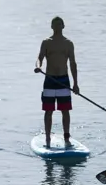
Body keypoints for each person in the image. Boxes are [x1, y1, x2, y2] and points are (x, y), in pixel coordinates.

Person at [34, 16, 79, 148]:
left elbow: (73, 64)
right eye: (55, 24)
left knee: (65, 110)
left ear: (63, 26)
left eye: (60, 24)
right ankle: (47, 138)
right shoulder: (46, 42)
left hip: (63, 80)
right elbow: (39, 58)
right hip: (50, 79)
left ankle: (66, 137)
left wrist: (76, 84)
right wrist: (38, 66)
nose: (58, 26)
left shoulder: (69, 43)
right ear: (52, 27)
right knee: (48, 111)